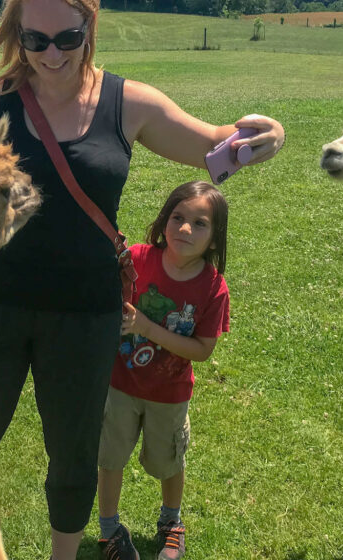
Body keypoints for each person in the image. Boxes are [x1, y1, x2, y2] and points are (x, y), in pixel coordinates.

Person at [0, 0, 283, 560]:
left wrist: (267, 135)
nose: (51, 54)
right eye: (35, 40)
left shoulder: (127, 103)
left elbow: (213, 144)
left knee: (75, 450)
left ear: (90, 25)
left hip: (86, 314)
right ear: (17, 36)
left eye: (67, 38)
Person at [97, 181, 231, 560]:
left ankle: (171, 523)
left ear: (215, 237)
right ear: (164, 220)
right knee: (110, 457)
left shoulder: (213, 288)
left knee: (168, 461)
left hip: (170, 394)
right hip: (119, 384)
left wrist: (146, 328)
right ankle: (109, 531)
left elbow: (203, 350)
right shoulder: (137, 259)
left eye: (200, 223)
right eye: (178, 217)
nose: (185, 229)